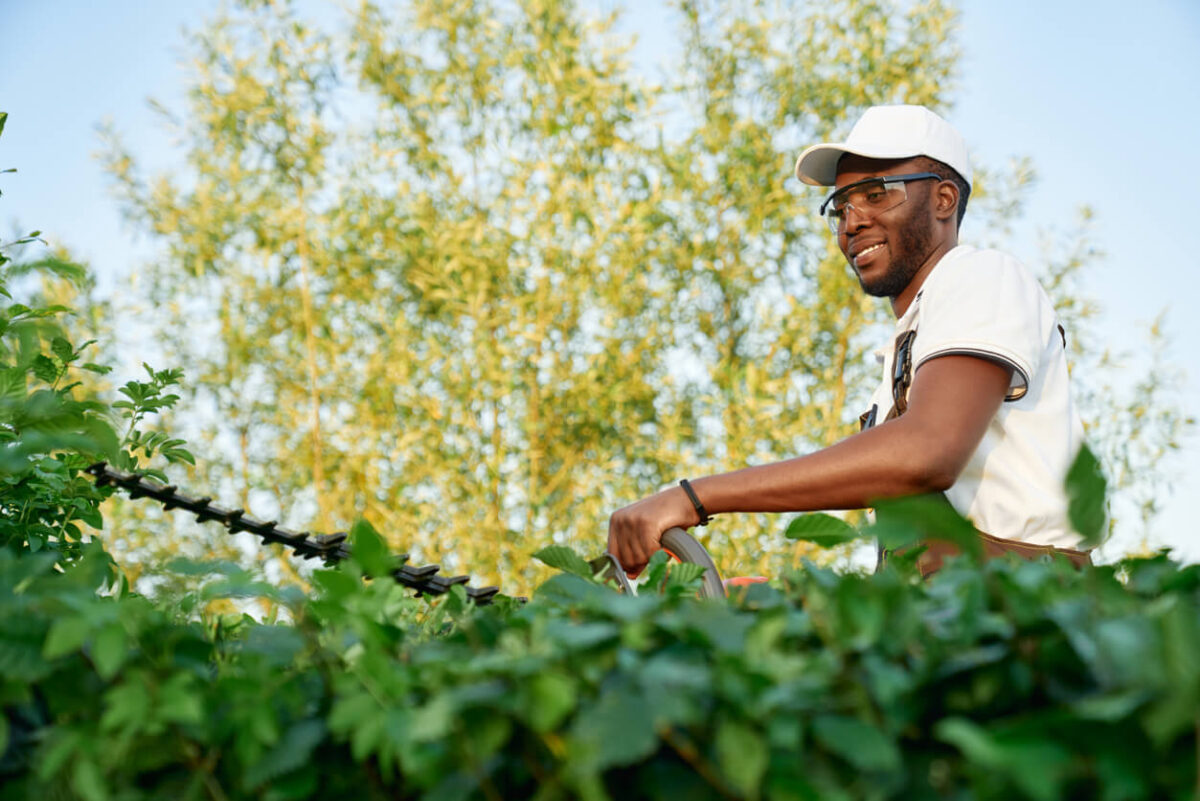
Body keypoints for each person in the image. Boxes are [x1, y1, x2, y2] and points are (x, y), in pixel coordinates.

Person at [607, 104, 1091, 577]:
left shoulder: (982, 275)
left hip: (1026, 618)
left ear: (944, 199)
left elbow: (928, 452)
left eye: (877, 193)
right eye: (840, 207)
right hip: (955, 620)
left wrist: (694, 496)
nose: (851, 222)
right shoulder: (911, 346)